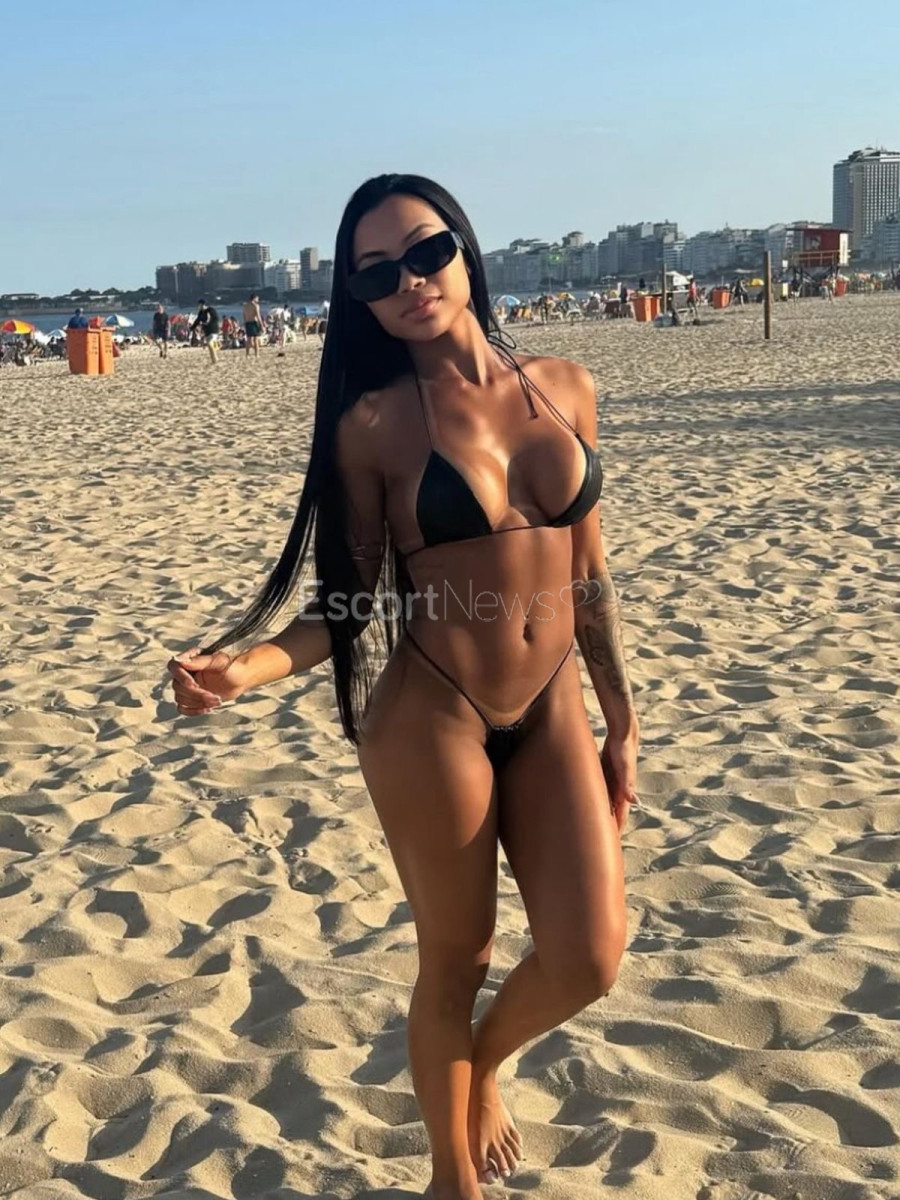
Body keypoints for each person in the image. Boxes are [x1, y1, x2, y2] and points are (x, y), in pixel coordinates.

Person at [167, 173, 638, 1200]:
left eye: (425, 253)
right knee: (457, 958)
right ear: (361, 301)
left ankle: (482, 1069)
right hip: (436, 716)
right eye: (377, 275)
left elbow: (591, 574)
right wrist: (243, 669)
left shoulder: (567, 386)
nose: (410, 282)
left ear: (463, 248)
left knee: (589, 957)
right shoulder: (373, 425)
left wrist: (622, 724)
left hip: (554, 705)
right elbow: (345, 607)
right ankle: (451, 1180)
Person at [242, 293, 264, 358]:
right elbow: (258, 316)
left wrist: (245, 323)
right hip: (254, 322)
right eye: (257, 298)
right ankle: (257, 354)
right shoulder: (256, 306)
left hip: (247, 323)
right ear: (254, 298)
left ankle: (247, 354)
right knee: (255, 339)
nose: (258, 300)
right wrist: (262, 325)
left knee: (248, 339)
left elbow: (244, 315)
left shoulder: (245, 306)